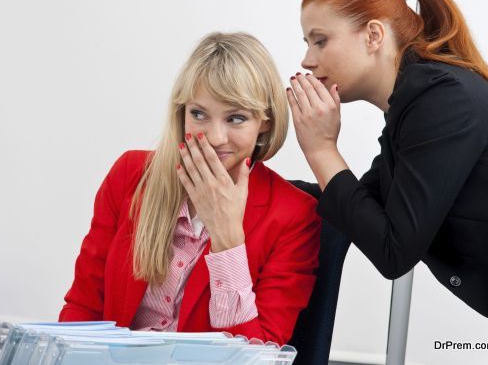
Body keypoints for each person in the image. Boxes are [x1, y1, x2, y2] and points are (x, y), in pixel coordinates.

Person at [286, 0, 488, 364]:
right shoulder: (416, 108)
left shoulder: (441, 102)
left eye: (320, 41)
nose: (307, 59)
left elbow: (392, 250)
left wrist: (321, 148)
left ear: (374, 35)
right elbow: (356, 209)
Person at [59, 32, 321, 345]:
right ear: (181, 112)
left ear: (264, 121)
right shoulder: (131, 175)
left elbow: (258, 356)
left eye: (236, 118)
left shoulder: (294, 216)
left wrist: (227, 238)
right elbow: (83, 307)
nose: (214, 137)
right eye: (199, 114)